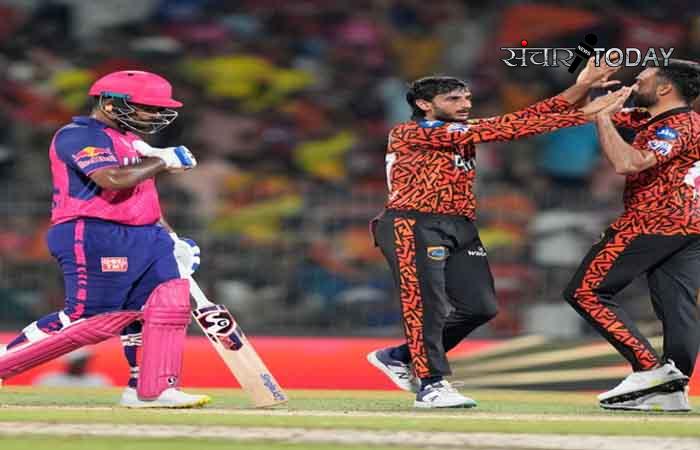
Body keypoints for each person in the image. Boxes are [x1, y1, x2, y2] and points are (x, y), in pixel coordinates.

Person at [367, 60, 622, 408]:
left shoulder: (460, 129)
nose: (465, 104)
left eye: (467, 98)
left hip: (459, 225)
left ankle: (399, 356)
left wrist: (582, 87)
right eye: (454, 99)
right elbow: (508, 128)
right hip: (413, 222)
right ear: (425, 104)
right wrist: (585, 115)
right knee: (427, 305)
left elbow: (526, 117)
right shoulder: (410, 132)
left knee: (480, 307)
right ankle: (431, 384)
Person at [0, 70, 208, 408]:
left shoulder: (129, 140)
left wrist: (172, 240)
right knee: (91, 319)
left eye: (158, 109)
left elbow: (143, 198)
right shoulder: (78, 135)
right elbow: (111, 179)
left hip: (147, 234)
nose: (155, 115)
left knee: (166, 307)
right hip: (95, 231)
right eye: (147, 107)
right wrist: (161, 160)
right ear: (111, 105)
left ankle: (151, 389)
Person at [563, 59, 700, 412]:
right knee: (677, 306)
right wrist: (588, 87)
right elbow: (581, 113)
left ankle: (650, 370)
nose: (635, 82)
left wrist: (603, 119)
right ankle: (673, 389)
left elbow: (629, 163)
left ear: (665, 88)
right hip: (689, 224)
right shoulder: (649, 119)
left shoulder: (678, 125)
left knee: (585, 292)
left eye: (643, 78)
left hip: (655, 220)